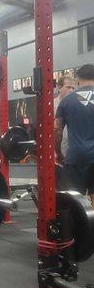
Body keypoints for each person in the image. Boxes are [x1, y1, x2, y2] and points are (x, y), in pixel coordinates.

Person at [55, 64, 94, 203]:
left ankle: (79, 224)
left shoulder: (66, 101)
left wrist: (58, 153)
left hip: (76, 157)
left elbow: (57, 131)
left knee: (76, 202)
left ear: (77, 80)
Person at [54, 75, 76, 157]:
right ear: (59, 88)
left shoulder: (76, 105)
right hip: (55, 150)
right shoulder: (51, 106)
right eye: (68, 87)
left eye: (73, 88)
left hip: (71, 149)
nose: (71, 90)